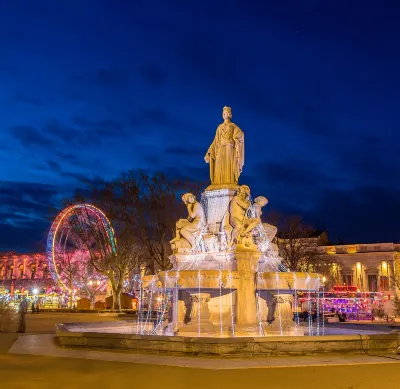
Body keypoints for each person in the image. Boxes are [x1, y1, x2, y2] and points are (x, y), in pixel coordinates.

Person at [204, 106, 245, 186]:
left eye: (226, 112)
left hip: (229, 148)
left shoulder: (233, 126)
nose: (224, 114)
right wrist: (209, 152)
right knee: (218, 166)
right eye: (223, 113)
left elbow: (241, 134)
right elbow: (215, 141)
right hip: (220, 148)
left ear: (229, 114)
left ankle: (230, 182)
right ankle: (218, 183)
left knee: (228, 167)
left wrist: (235, 137)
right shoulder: (219, 127)